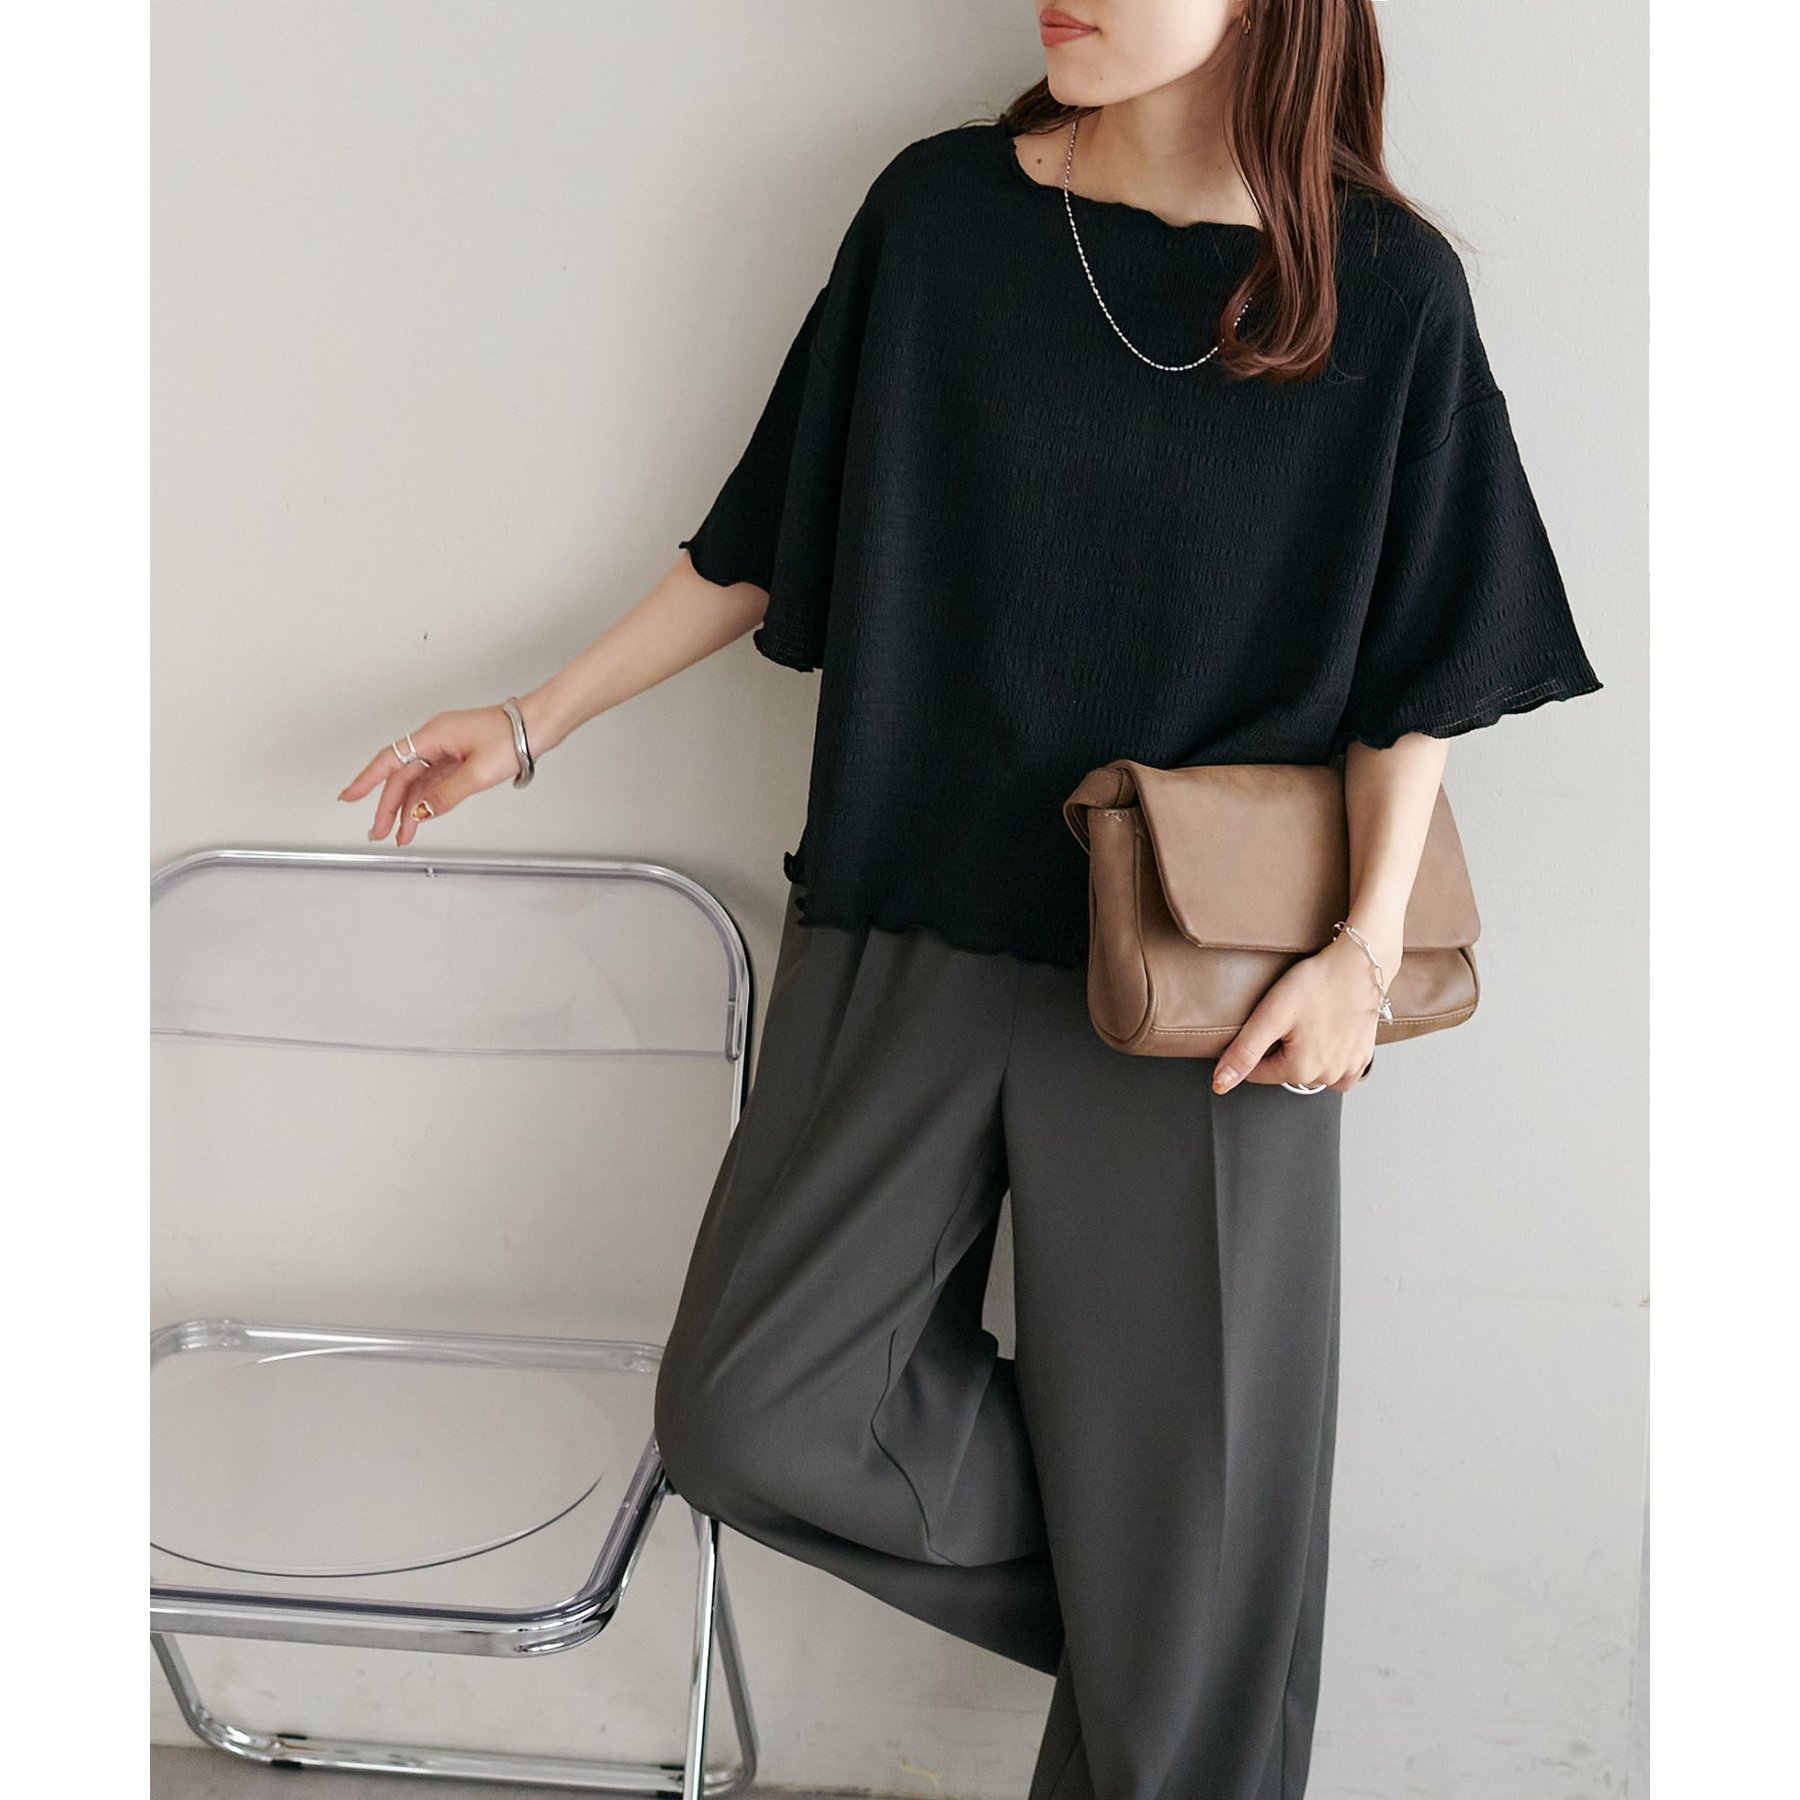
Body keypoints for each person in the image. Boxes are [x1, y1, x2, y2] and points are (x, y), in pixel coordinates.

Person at [338, 5, 1604, 1795]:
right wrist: (534, 723)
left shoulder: (1379, 291)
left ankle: (1201, 1630)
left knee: (1192, 1601)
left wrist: (1362, 950)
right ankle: (1196, 1616)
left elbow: (1423, 671)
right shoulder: (941, 216)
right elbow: (765, 533)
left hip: (1209, 986)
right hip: (904, 920)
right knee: (754, 1410)